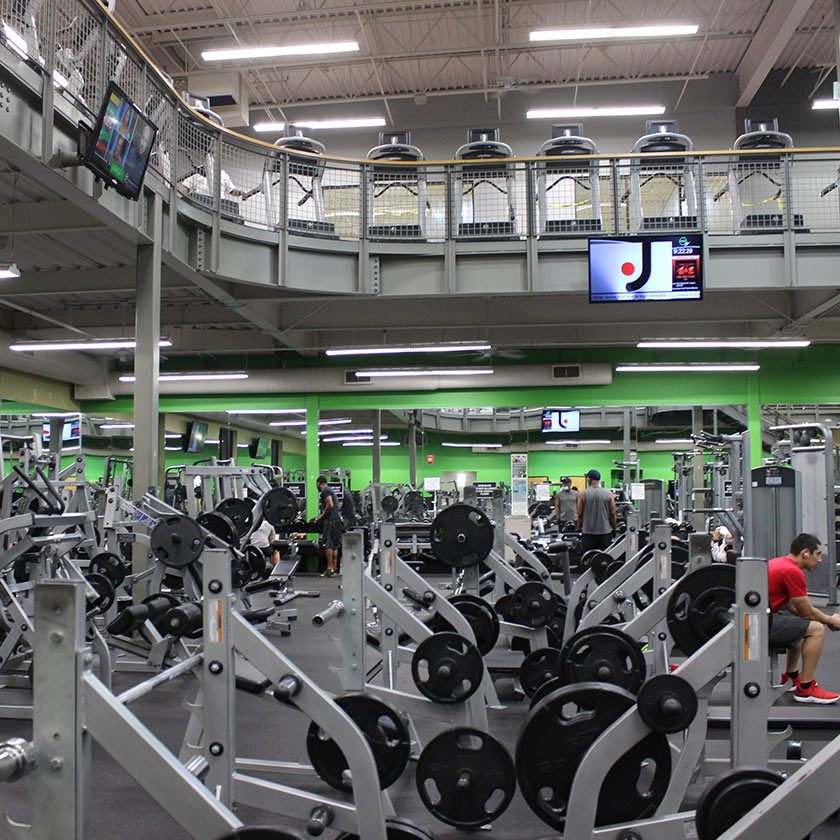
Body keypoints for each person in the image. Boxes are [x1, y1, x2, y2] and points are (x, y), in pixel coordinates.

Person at [768, 533, 840, 704]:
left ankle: (791, 676)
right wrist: (831, 620)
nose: (820, 560)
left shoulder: (780, 563)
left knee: (801, 626)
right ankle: (806, 689)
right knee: (816, 629)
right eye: (818, 554)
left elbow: (790, 606)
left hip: (760, 619)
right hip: (760, 625)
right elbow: (807, 612)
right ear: (806, 553)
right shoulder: (792, 571)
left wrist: (818, 618)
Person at [577, 469, 616, 553]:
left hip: (588, 533)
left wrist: (579, 528)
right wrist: (614, 528)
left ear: (589, 478)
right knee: (604, 558)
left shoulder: (583, 494)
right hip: (605, 532)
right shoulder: (609, 494)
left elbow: (579, 514)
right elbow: (612, 514)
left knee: (588, 559)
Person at [315, 475, 343, 577]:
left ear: (319, 483)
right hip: (337, 520)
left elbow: (330, 505)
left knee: (328, 544)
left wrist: (321, 517)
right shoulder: (330, 490)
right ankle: (335, 569)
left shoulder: (324, 491)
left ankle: (329, 568)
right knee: (335, 545)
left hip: (330, 520)